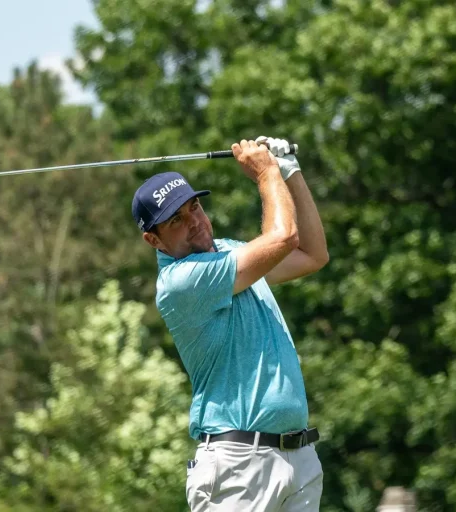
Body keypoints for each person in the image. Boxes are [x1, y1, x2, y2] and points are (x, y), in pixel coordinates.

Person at [131, 136, 329, 512]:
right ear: (153, 239)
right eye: (176, 220)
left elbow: (311, 254)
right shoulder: (180, 282)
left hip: (298, 457)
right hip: (239, 465)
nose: (194, 223)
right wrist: (267, 173)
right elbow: (283, 237)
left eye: (195, 207)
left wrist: (290, 172)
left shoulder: (228, 251)